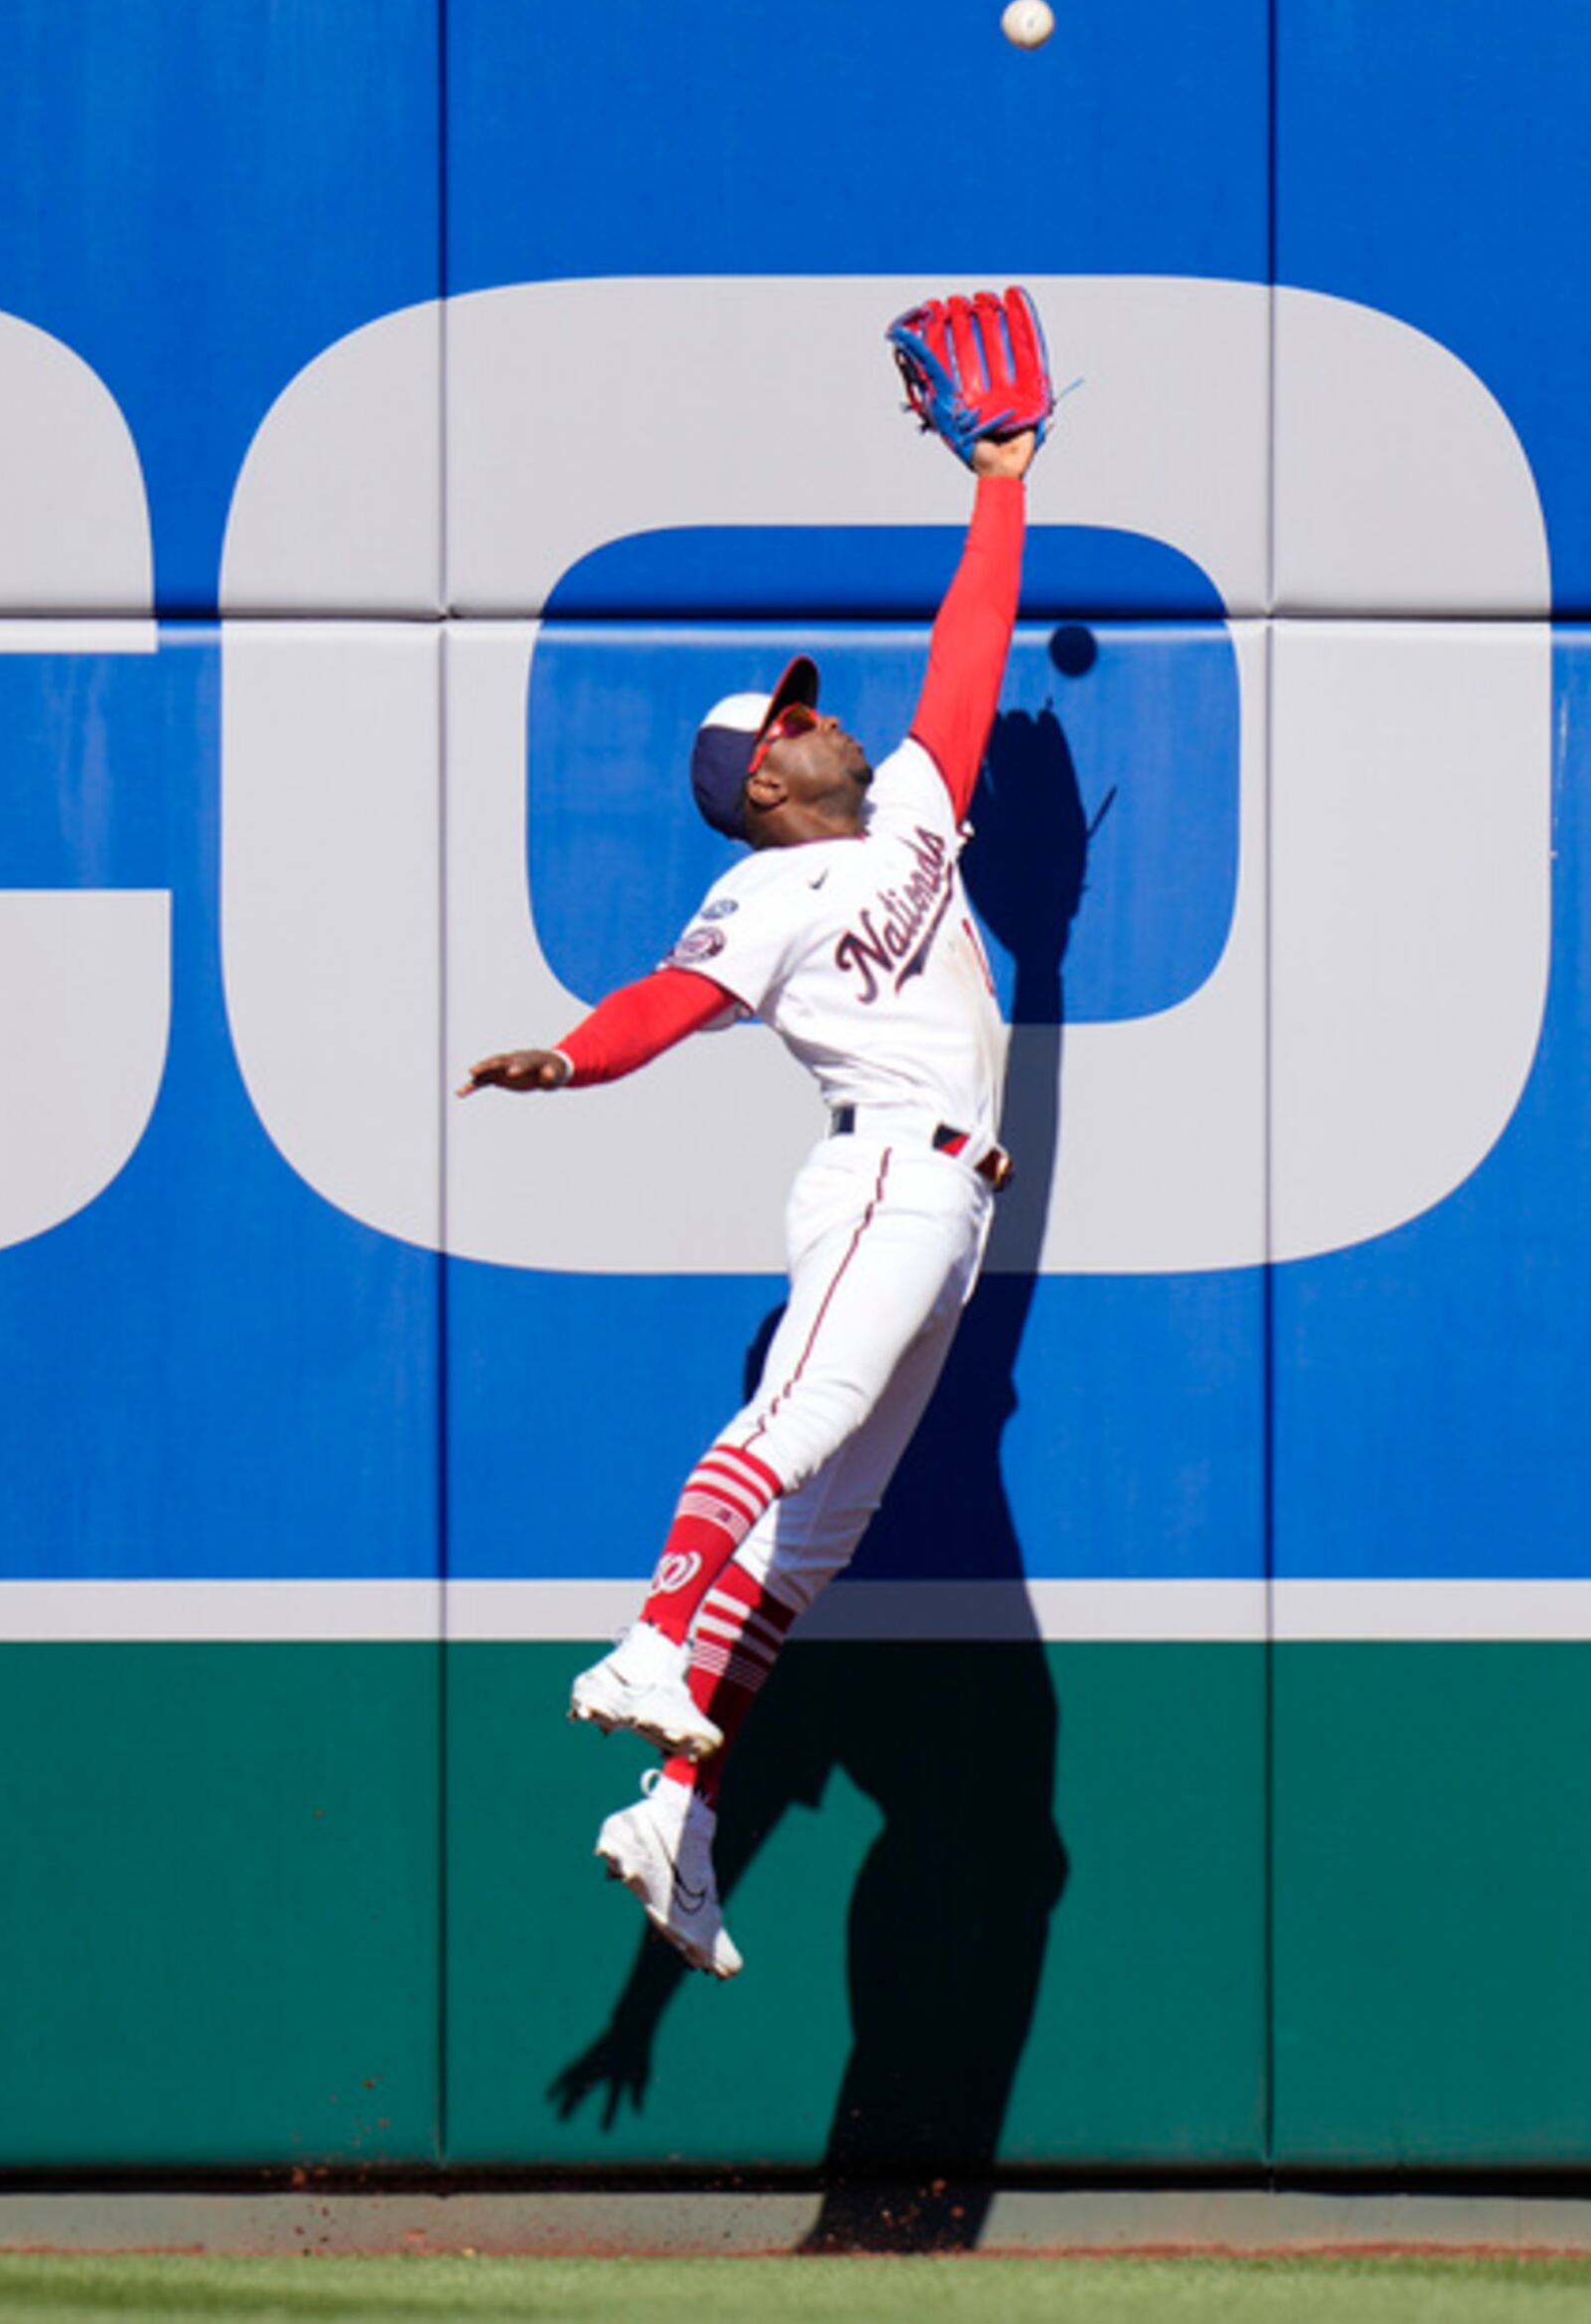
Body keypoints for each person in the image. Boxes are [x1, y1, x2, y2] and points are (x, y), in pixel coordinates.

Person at [457, 286, 1054, 1980]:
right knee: (791, 1423)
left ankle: (678, 1808)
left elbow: (968, 650)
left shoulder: (917, 809)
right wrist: (571, 1060)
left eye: (802, 700)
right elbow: (665, 998)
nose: (817, 712)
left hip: (953, 1203)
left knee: (824, 1534)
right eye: (789, 719)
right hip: (882, 1176)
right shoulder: (766, 885)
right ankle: (653, 1630)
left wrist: (998, 480)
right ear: (766, 783)